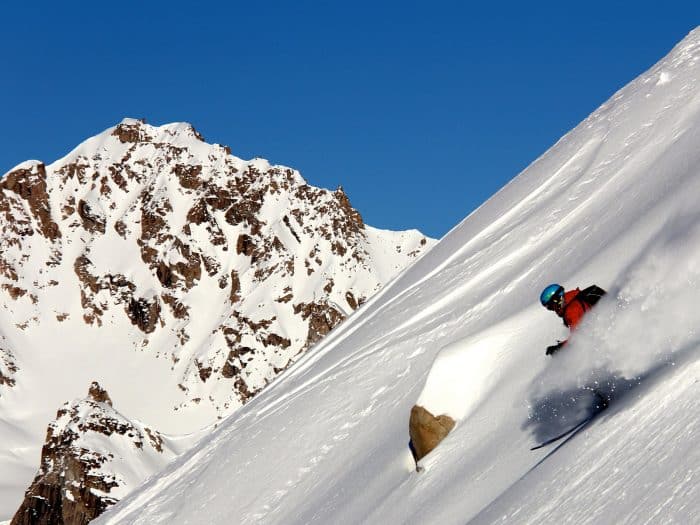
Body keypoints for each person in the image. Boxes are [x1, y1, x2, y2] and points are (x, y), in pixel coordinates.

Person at [539, 283, 606, 355]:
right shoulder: (573, 299)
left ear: (557, 300)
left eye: (551, 306)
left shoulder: (572, 310)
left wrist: (559, 348)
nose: (553, 310)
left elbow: (578, 339)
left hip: (600, 343)